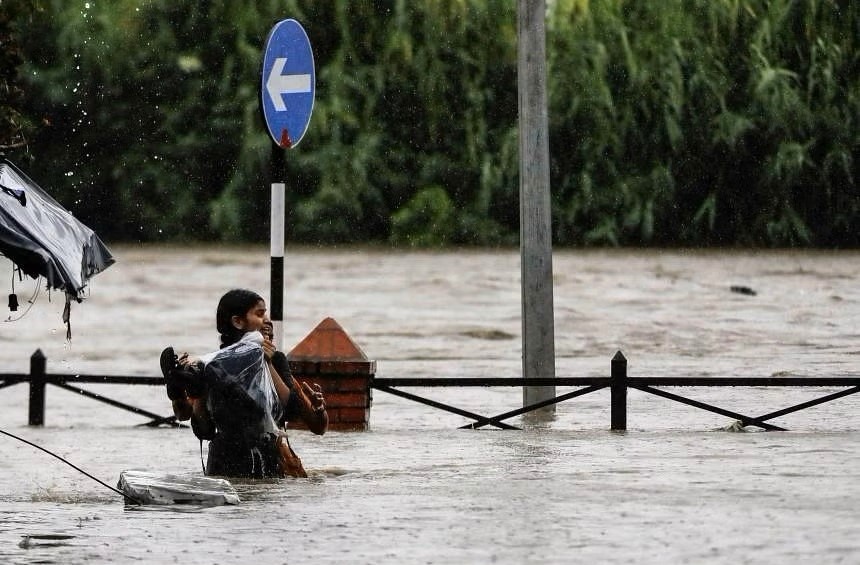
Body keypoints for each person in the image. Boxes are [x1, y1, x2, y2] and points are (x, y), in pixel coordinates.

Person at [160, 289, 327, 478]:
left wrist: (268, 363)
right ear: (238, 322)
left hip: (248, 463)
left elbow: (294, 411)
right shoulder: (214, 366)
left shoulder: (272, 360)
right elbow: (204, 429)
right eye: (260, 313)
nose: (267, 320)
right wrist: (198, 391)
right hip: (242, 463)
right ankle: (182, 389)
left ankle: (182, 388)